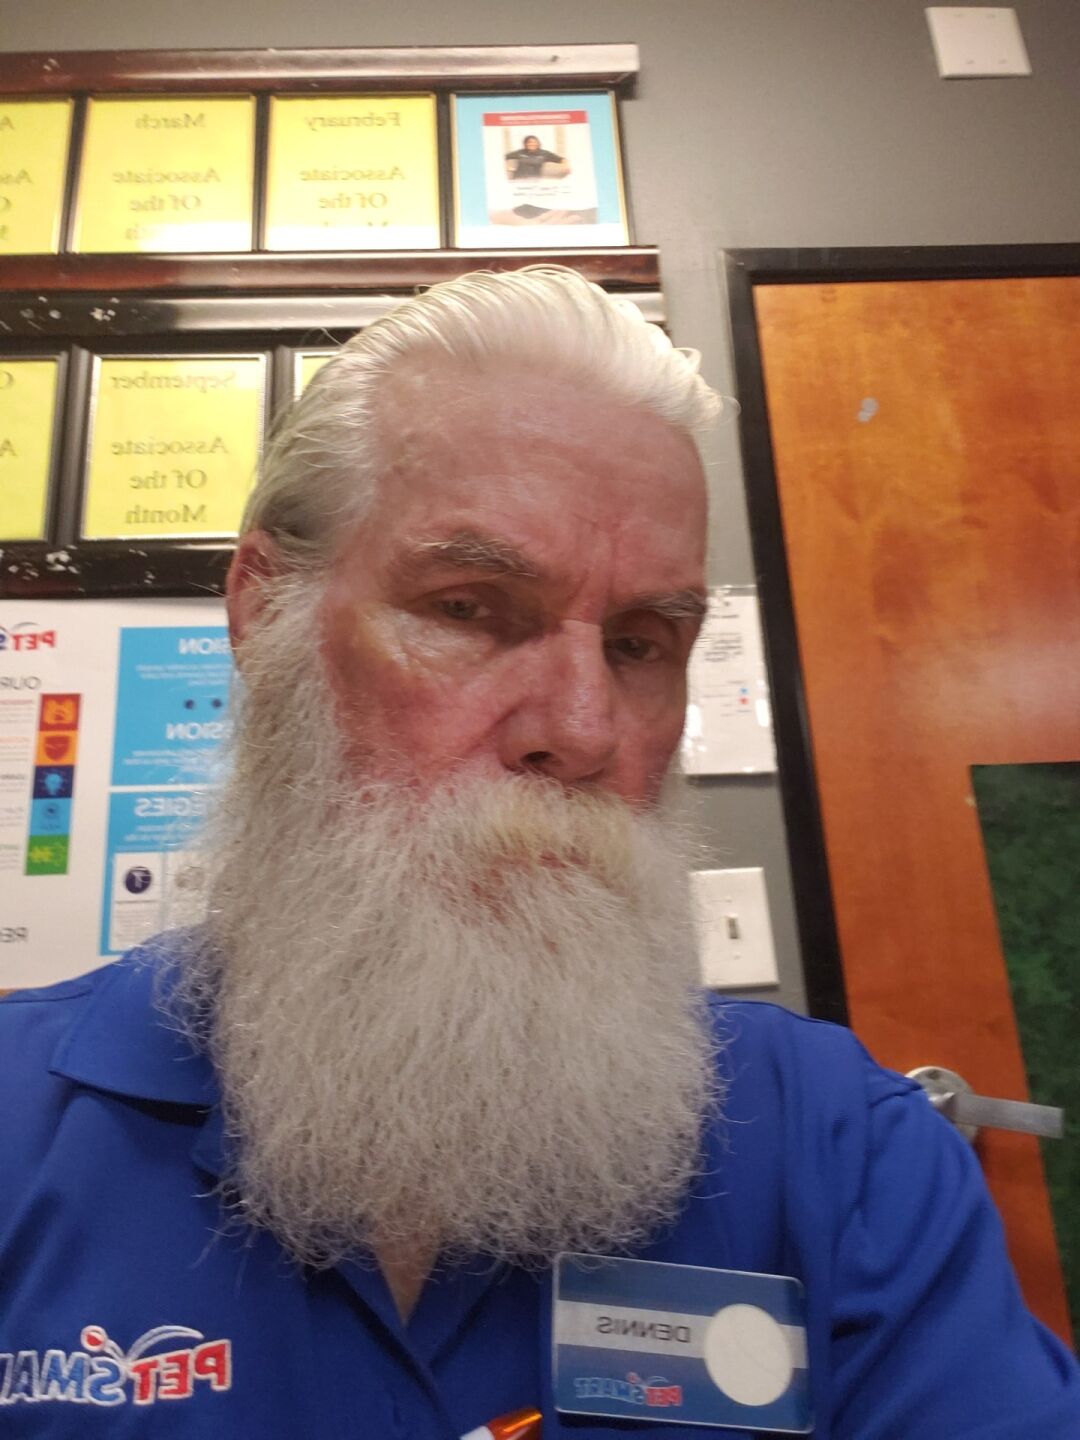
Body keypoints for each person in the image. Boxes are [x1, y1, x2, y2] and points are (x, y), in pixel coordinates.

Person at [0, 268, 1076, 1437]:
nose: (582, 730)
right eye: (468, 608)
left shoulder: (844, 1147)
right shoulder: (22, 1119)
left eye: (640, 643)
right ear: (265, 612)